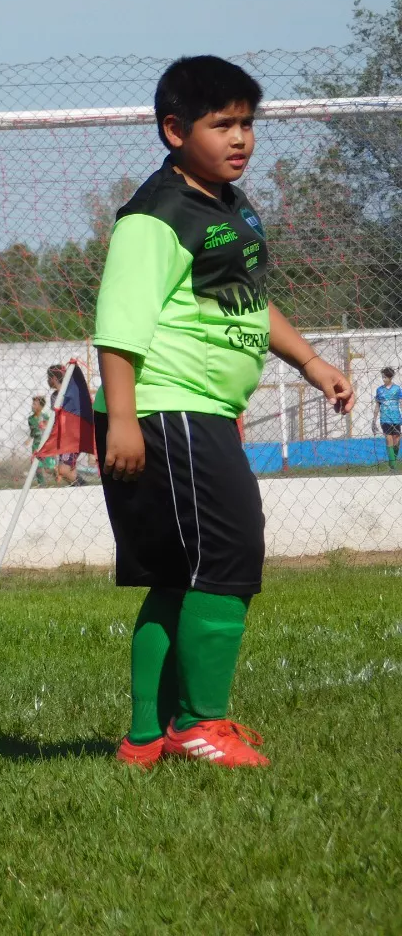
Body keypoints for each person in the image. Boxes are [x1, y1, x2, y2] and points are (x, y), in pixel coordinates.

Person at [94, 56, 355, 770]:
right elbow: (118, 326)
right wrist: (122, 419)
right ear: (175, 130)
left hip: (196, 412)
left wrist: (308, 360)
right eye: (223, 124)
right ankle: (202, 724)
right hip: (167, 409)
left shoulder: (230, 206)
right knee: (231, 558)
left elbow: (243, 297)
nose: (241, 138)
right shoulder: (156, 217)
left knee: (178, 575)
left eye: (248, 123)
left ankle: (146, 739)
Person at [46, 364, 81, 485]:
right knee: (67, 469)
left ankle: (81, 485)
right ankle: (80, 486)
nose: (47, 381)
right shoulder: (54, 396)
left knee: (63, 469)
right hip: (62, 436)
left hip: (72, 435)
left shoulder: (71, 393)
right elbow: (56, 418)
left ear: (54, 379)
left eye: (48, 378)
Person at [374, 367, 402, 472]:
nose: (383, 379)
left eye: (385, 377)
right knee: (389, 439)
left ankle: (393, 460)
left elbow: (401, 403)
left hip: (396, 418)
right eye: (382, 377)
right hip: (385, 418)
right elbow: (377, 406)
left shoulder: (397, 389)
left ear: (390, 377)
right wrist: (374, 420)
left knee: (397, 440)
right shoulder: (379, 390)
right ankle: (393, 466)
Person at [26, 395, 55, 486]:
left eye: (35, 404)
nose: (32, 406)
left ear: (41, 406)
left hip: (46, 445)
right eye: (32, 404)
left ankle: (57, 472)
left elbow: (51, 430)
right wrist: (29, 439)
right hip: (36, 446)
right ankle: (41, 484)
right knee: (37, 467)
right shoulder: (30, 419)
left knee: (48, 469)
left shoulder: (46, 417)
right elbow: (33, 431)